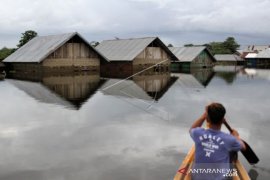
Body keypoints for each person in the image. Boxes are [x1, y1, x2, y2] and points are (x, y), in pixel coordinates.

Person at [189, 103, 246, 180]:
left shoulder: (197, 133)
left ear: (207, 119)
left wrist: (203, 117)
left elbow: (192, 129)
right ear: (222, 120)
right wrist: (236, 136)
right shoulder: (229, 139)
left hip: (196, 178)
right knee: (232, 150)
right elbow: (243, 147)